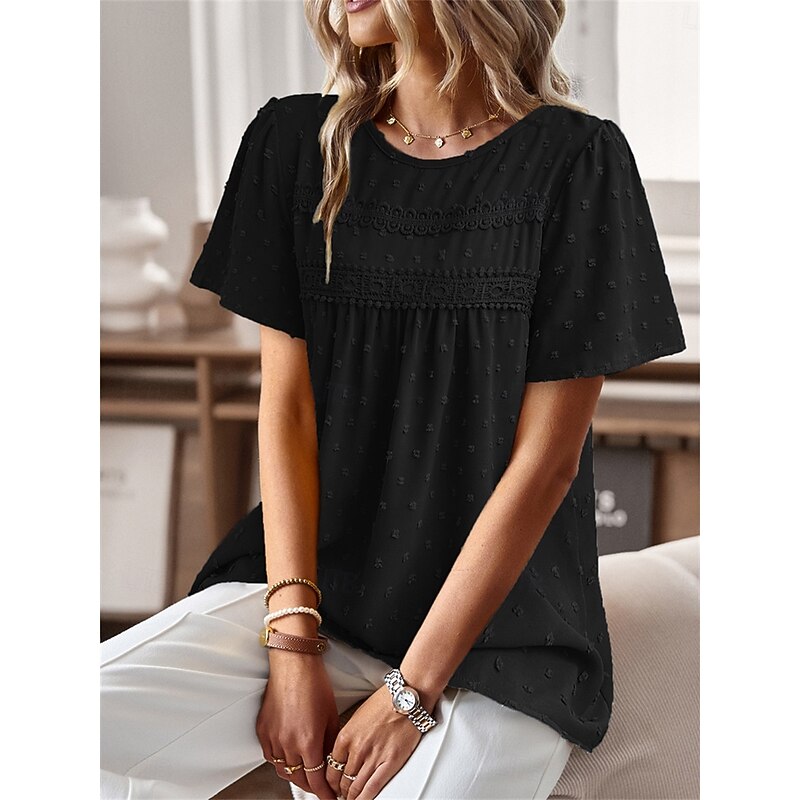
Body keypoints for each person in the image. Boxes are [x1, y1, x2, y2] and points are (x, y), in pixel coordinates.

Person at [100, 1, 688, 798]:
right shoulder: (294, 143)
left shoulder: (578, 162)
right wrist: (292, 644)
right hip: (317, 592)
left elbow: (545, 464)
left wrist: (410, 692)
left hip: (503, 635)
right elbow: (288, 411)